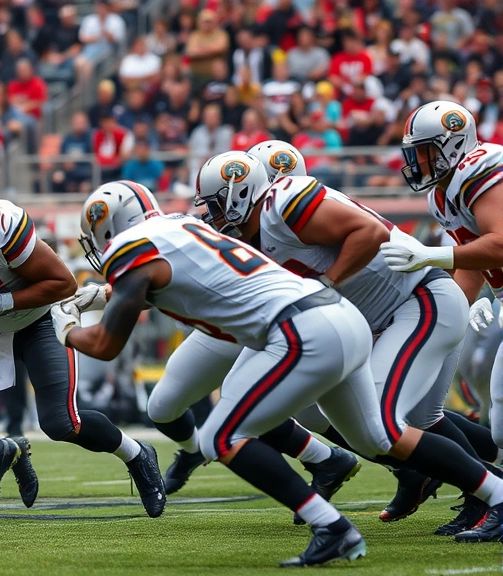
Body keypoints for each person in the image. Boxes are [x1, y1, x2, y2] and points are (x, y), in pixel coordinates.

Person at [58, 182, 381, 566]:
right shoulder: (180, 225)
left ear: (107, 227)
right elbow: (176, 276)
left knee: (223, 433)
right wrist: (110, 293)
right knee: (381, 435)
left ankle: (331, 524)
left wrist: (65, 330)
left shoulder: (131, 247)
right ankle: (470, 486)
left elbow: (107, 345)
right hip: (328, 311)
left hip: (284, 326)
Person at [198, 149, 503, 542]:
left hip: (419, 301)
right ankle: (446, 482)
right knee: (367, 432)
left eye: (215, 205)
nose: (211, 216)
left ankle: (491, 494)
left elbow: (371, 233)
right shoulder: (252, 236)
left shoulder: (284, 203)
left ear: (240, 193)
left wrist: (327, 285)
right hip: (379, 320)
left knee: (384, 423)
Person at [0, 156, 164, 520]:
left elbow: (63, 283)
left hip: (39, 322)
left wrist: (4, 299)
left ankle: (137, 454)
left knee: (62, 424)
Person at [382, 101, 503, 538]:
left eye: (427, 151)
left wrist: (431, 255)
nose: (417, 161)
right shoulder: (442, 191)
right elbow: (471, 263)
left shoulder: (481, 169)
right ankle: (490, 498)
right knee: (501, 423)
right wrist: (454, 307)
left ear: (455, 144)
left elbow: (501, 243)